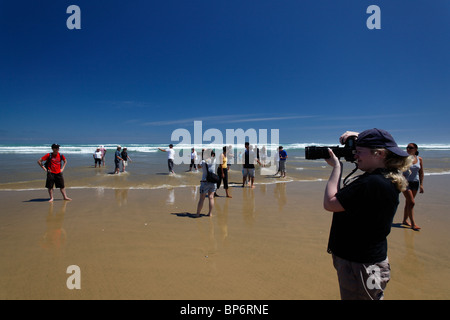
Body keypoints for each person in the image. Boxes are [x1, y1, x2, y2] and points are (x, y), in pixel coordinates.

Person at [323, 128, 411, 300]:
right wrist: (358, 136)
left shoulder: (371, 183)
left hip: (360, 264)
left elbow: (330, 203)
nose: (355, 156)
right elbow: (382, 142)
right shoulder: (387, 177)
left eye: (359, 152)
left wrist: (337, 168)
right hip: (366, 261)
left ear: (378, 154)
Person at [402, 143, 424, 231]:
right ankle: (413, 224)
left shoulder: (419, 159)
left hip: (415, 182)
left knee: (408, 203)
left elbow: (421, 172)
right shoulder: (403, 158)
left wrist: (421, 185)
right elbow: (398, 169)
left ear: (415, 149)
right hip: (405, 183)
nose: (408, 149)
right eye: (407, 147)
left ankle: (404, 220)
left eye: (410, 148)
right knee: (412, 202)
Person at [195, 149, 217, 217]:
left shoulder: (203, 162)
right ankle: (210, 213)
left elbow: (198, 166)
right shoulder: (214, 160)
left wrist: (201, 157)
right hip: (213, 181)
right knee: (211, 197)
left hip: (205, 181)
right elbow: (214, 154)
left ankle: (198, 214)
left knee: (202, 199)